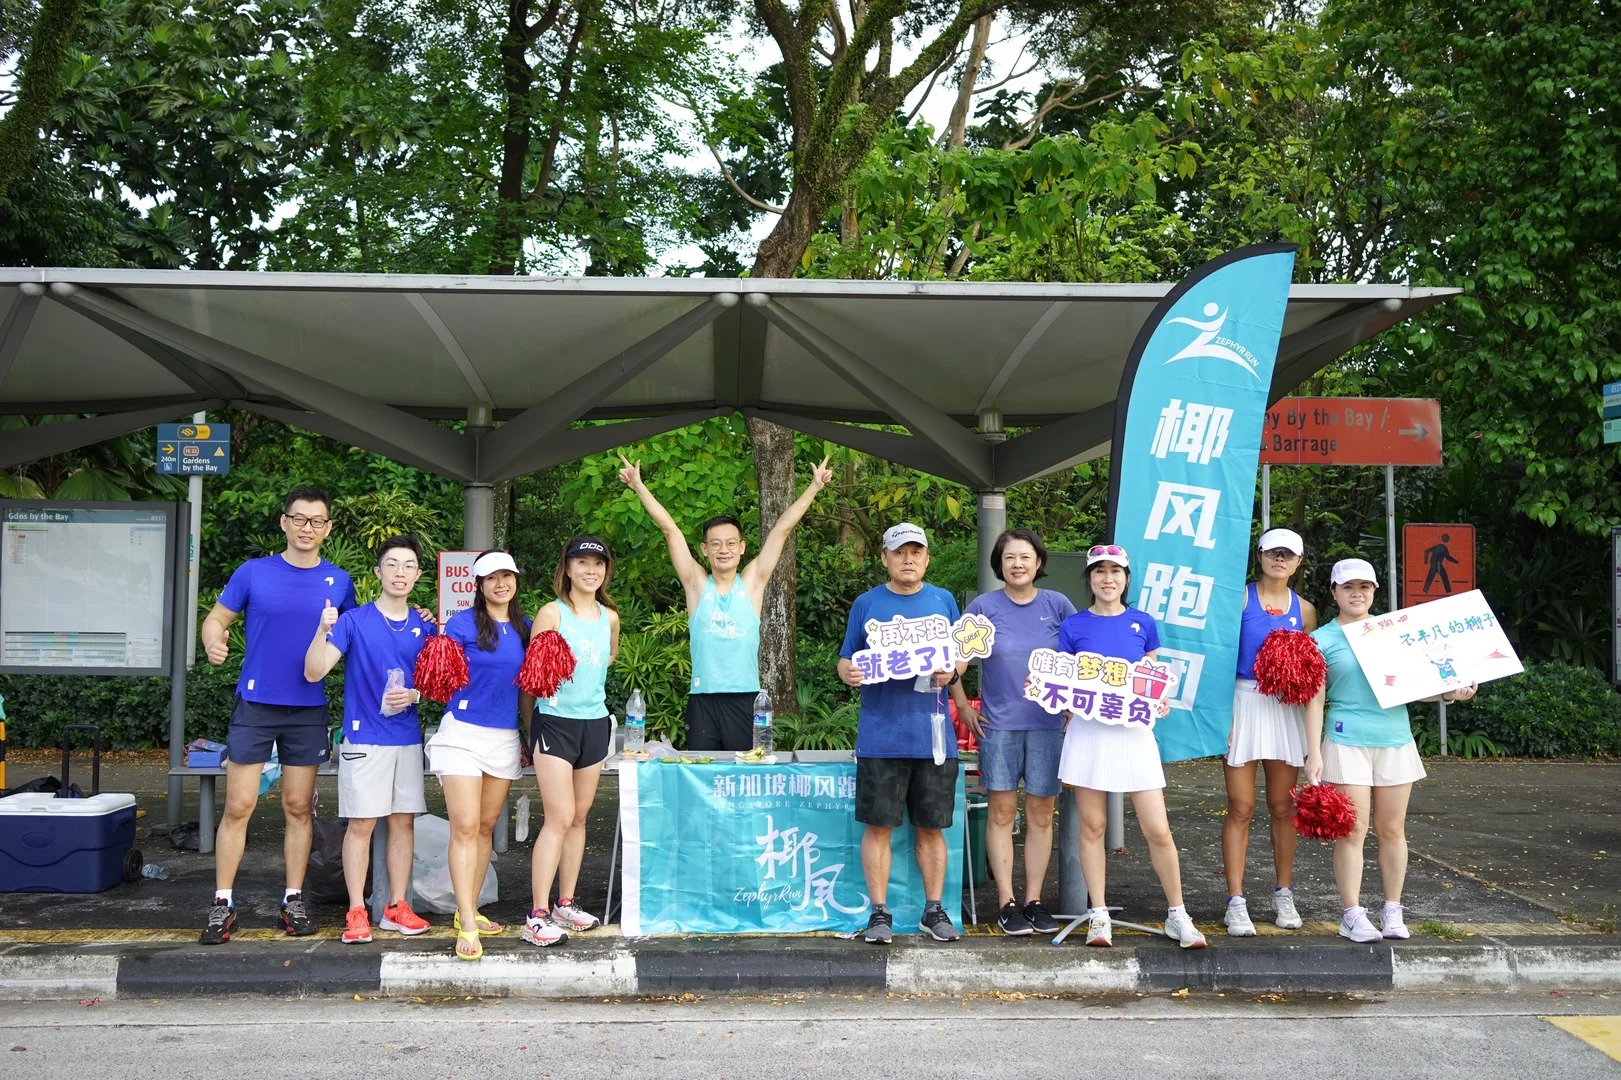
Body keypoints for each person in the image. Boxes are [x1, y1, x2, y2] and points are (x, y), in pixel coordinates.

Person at [198, 486, 357, 945]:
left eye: (317, 521)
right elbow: (217, 618)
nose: (308, 528)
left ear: (327, 529)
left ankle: (293, 897)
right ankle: (222, 901)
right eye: (300, 518)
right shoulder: (253, 572)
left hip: (308, 708)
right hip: (256, 704)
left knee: (297, 807)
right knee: (239, 806)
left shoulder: (339, 580)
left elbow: (357, 631)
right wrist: (213, 640)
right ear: (284, 522)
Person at [1305, 558, 1476, 943]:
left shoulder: (1393, 632)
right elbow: (1314, 700)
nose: (1357, 593)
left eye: (1365, 587)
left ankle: (1393, 910)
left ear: (1374, 592)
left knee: (1392, 829)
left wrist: (1450, 692)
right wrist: (1313, 752)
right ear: (1334, 592)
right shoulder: (1322, 640)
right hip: (1346, 739)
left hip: (1395, 739)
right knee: (1353, 831)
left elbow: (1415, 685)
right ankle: (1352, 913)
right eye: (1348, 587)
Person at [618, 451, 834, 751]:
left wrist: (814, 487)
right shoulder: (696, 585)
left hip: (746, 701)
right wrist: (638, 486)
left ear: (742, 548)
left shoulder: (752, 582)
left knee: (746, 781)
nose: (724, 550)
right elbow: (670, 531)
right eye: (716, 544)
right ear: (704, 549)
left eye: (731, 543)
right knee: (704, 781)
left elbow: (781, 531)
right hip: (702, 700)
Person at [1056, 543, 1206, 949]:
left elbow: (1154, 677)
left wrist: (1161, 699)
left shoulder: (1143, 622)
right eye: (1100, 571)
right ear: (1089, 579)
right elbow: (1061, 684)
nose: (1108, 578)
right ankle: (1099, 915)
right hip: (1089, 732)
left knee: (1157, 828)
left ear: (1126, 579)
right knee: (1093, 827)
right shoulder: (1073, 626)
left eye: (1116, 571)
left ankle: (1178, 913)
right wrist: (1059, 699)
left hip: (1134, 734)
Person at [838, 523, 974, 944]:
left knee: (932, 828)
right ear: (884, 558)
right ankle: (879, 914)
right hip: (881, 734)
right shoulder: (866, 604)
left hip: (933, 737)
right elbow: (845, 661)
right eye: (899, 552)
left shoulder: (943, 601)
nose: (908, 559)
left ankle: (934, 911)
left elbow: (961, 660)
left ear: (927, 558)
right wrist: (851, 673)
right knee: (878, 826)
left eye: (916, 551)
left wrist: (952, 671)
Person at [303, 534, 436, 944]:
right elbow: (314, 671)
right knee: (360, 824)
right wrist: (320, 631)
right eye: (392, 564)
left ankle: (397, 906)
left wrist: (416, 694)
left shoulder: (425, 626)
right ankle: (357, 911)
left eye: (408, 565)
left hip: (406, 737)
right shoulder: (352, 621)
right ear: (378, 572)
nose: (400, 572)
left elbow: (440, 682)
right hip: (364, 738)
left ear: (417, 575)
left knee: (403, 823)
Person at [955, 528, 1076, 936]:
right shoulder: (983, 607)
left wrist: (1076, 706)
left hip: (1049, 726)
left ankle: (1034, 900)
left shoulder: (1058, 605)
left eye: (1025, 557)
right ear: (999, 564)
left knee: (1041, 815)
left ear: (1039, 562)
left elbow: (1082, 661)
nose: (1018, 564)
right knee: (1002, 812)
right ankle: (1006, 901)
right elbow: (954, 661)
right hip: (999, 726)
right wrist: (961, 705)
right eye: (1010, 558)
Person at [423, 549, 534, 960]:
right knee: (465, 827)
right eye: (491, 578)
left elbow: (528, 689)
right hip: (462, 735)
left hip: (503, 737)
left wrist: (530, 736)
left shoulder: (526, 627)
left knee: (486, 827)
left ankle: (466, 907)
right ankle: (466, 918)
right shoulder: (460, 624)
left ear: (515, 580)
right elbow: (438, 673)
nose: (500, 583)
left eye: (507, 575)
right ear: (479, 585)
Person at [523, 535, 621, 947]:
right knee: (559, 817)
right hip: (555, 723)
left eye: (597, 564)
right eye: (581, 562)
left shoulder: (609, 617)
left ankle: (565, 902)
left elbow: (608, 658)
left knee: (579, 818)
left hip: (595, 723)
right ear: (567, 569)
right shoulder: (552, 613)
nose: (590, 570)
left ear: (605, 571)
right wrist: (529, 731)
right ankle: (537, 914)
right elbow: (531, 678)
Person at [1221, 527, 1319, 937]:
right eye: (1272, 552)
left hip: (1285, 708)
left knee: (1284, 807)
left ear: (1298, 563)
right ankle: (1235, 901)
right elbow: (1222, 659)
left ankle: (1283, 892)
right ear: (1259, 556)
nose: (1280, 559)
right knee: (1241, 807)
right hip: (1242, 703)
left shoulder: (1307, 609)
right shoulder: (1238, 598)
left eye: (1288, 554)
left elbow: (1313, 672)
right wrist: (1221, 716)